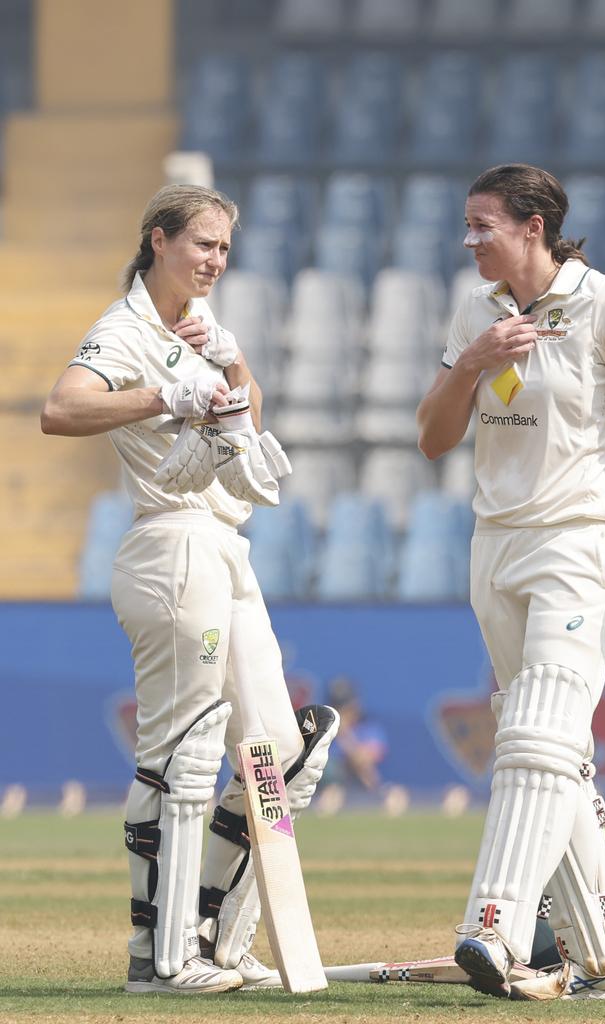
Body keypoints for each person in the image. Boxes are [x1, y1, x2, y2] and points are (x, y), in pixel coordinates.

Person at [41, 184, 338, 995]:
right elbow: (60, 410)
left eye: (224, 250)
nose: (215, 261)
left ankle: (217, 934)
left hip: (225, 546)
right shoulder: (124, 330)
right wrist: (163, 394)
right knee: (186, 749)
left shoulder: (201, 330)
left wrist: (230, 358)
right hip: (169, 544)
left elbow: (245, 413)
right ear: (159, 241)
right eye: (203, 244)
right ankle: (162, 958)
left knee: (279, 751)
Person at [416, 164, 605, 1001]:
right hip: (494, 546)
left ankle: (492, 927)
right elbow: (432, 438)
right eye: (466, 224)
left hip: (582, 544)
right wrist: (471, 362)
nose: (470, 240)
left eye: (483, 225)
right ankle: (603, 960)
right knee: (556, 756)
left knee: (534, 736)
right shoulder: (476, 311)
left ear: (533, 227)